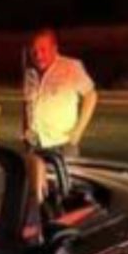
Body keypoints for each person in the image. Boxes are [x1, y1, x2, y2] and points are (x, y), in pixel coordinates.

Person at [22, 28, 97, 157]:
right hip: (33, 145)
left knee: (63, 177)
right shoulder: (30, 73)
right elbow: (26, 103)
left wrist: (77, 133)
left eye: (43, 50)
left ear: (54, 49)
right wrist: (25, 131)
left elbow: (91, 95)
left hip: (61, 145)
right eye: (34, 50)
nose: (38, 55)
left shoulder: (70, 67)